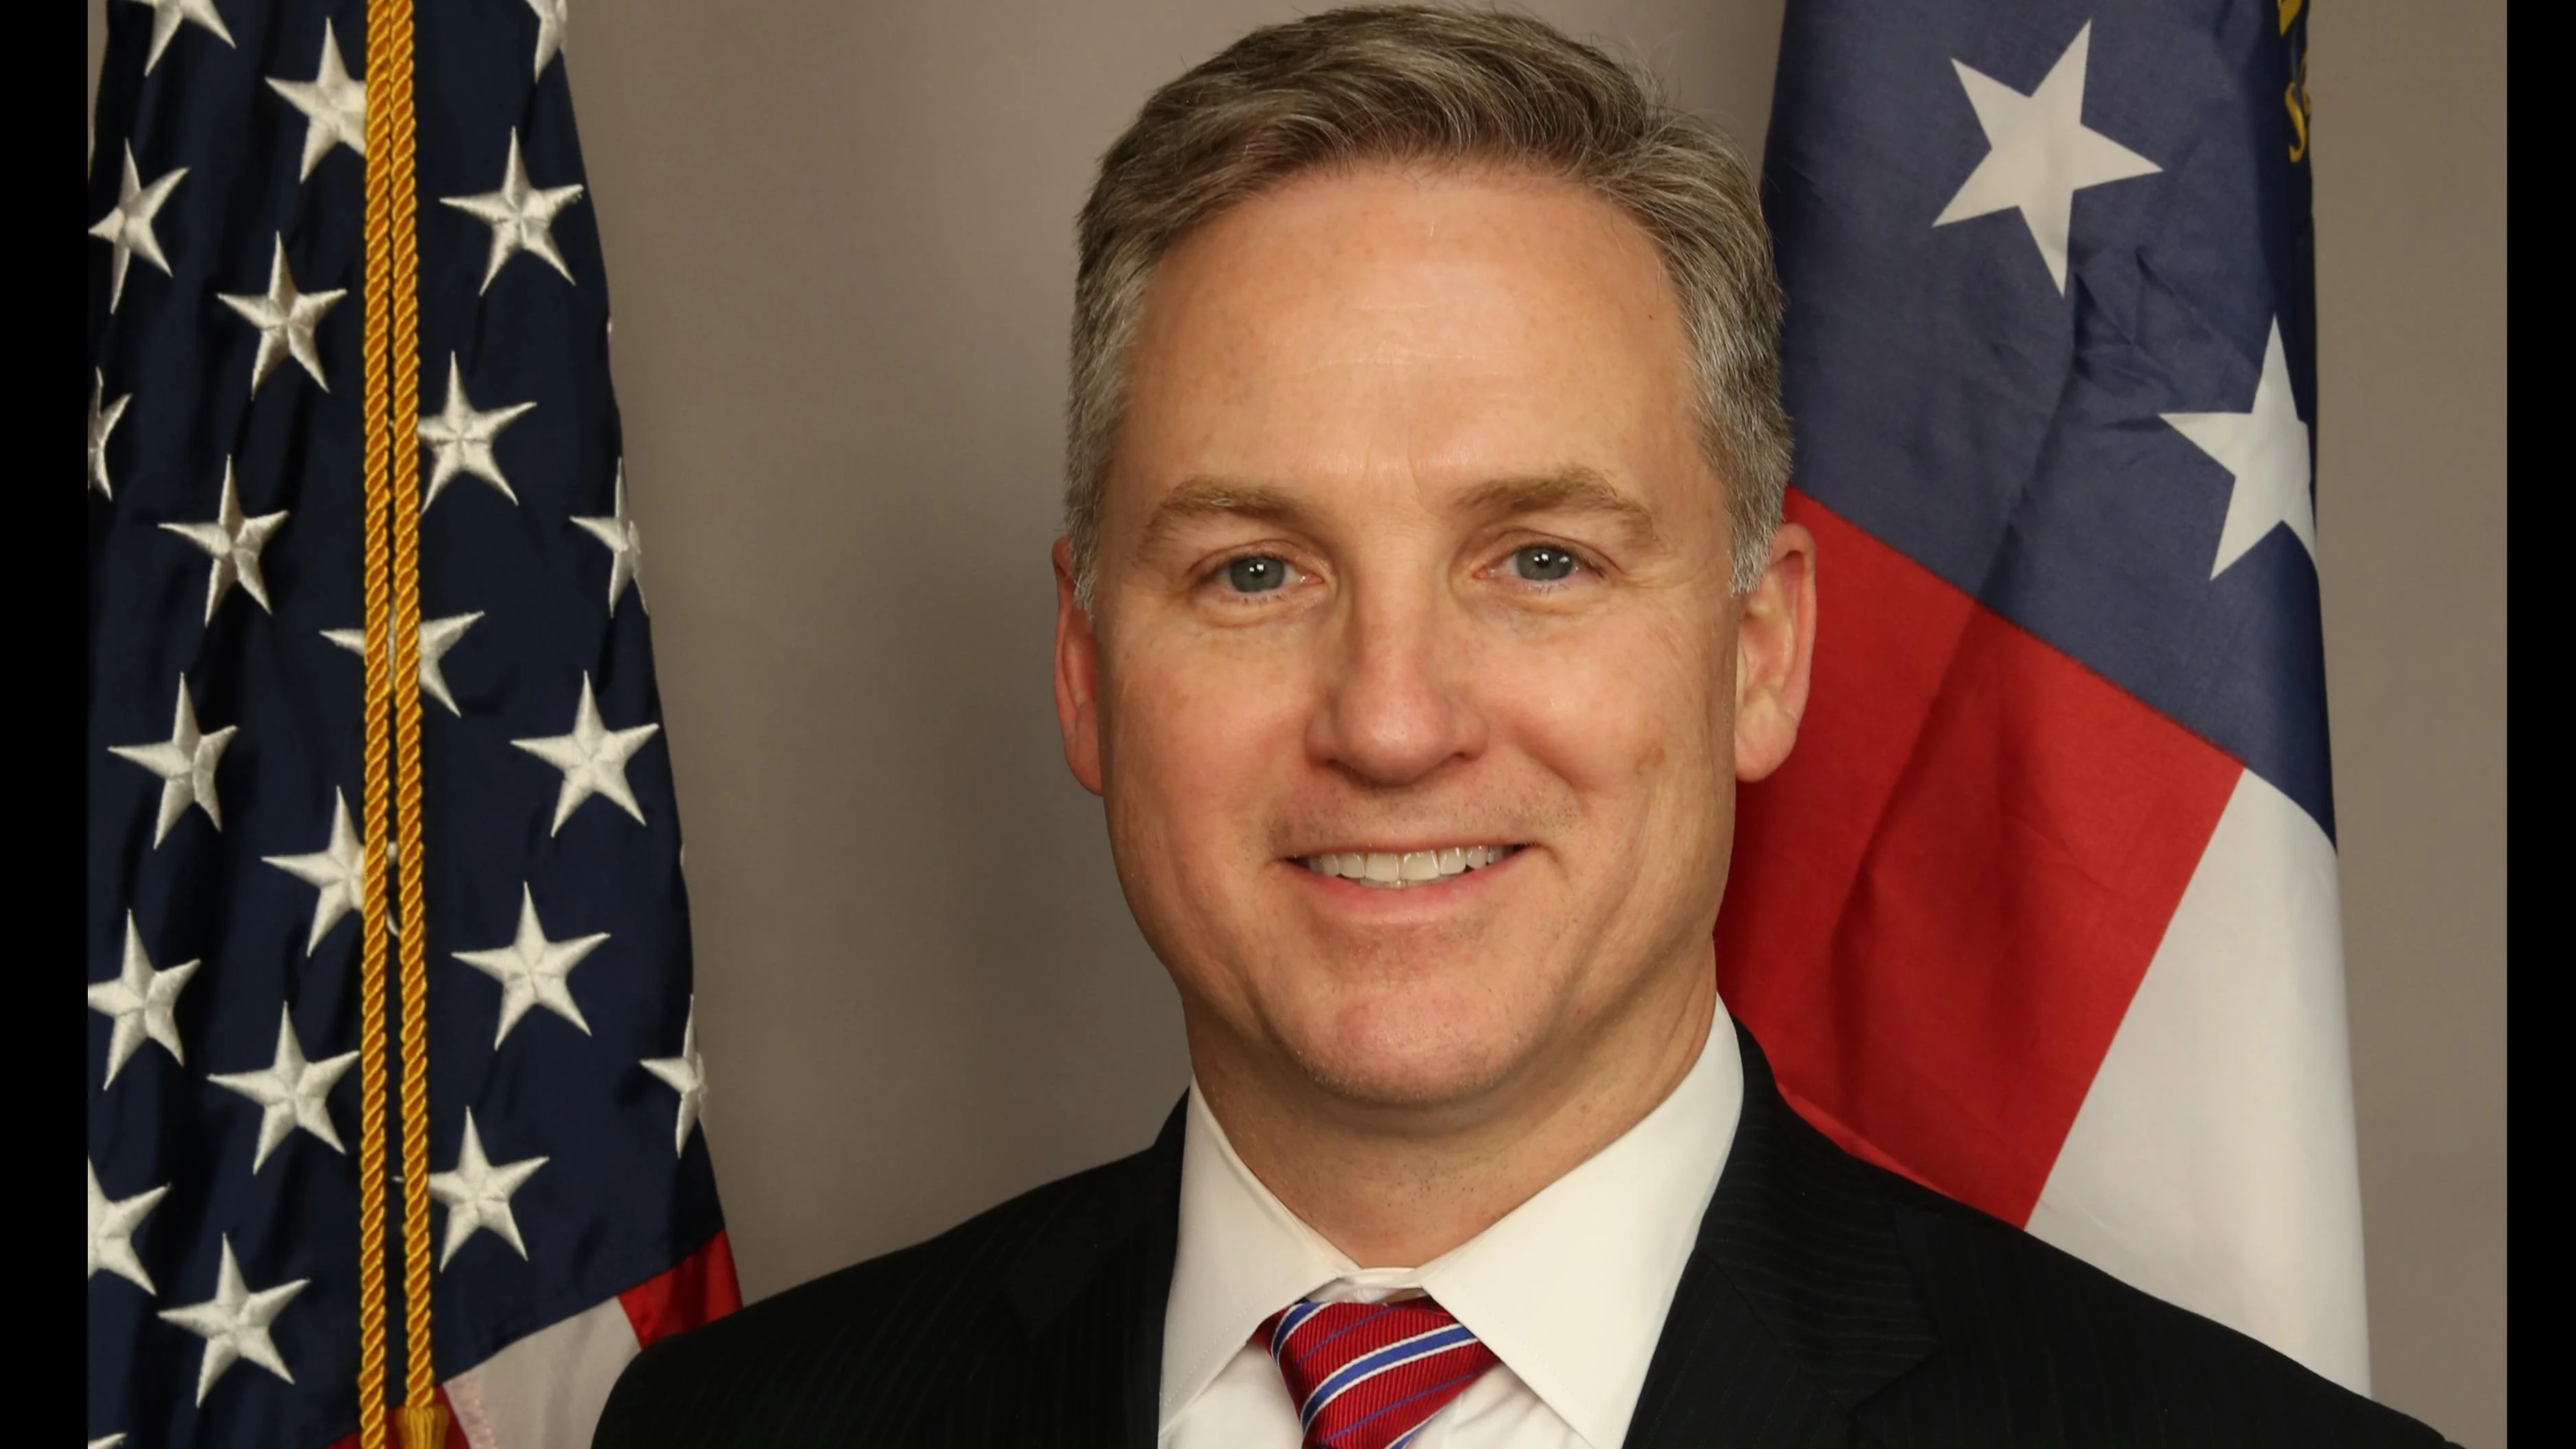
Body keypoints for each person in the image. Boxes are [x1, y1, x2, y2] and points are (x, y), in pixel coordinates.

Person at [595, 8, 2446, 1446]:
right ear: (1084, 665)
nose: (1393, 722)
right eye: (1255, 571)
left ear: (1762, 652)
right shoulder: (736, 1429)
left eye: (1542, 558)